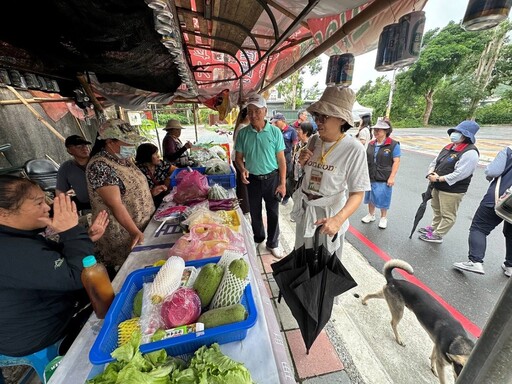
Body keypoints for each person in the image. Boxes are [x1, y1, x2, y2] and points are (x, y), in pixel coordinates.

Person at [0, 175, 108, 360]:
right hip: (41, 334)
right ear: (3, 214)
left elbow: (53, 260)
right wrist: (71, 232)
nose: (47, 207)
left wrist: (84, 239)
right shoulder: (7, 250)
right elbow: (78, 276)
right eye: (38, 203)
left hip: (59, 310)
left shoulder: (17, 237)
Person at [292, 86, 370, 259]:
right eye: (317, 116)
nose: (318, 121)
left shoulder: (354, 149)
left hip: (329, 216)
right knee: (301, 259)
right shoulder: (314, 140)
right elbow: (306, 175)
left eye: (324, 116)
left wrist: (338, 219)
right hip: (306, 210)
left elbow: (358, 193)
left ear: (342, 120)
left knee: (324, 267)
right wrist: (302, 162)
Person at [87, 119, 155, 274]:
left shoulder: (124, 160)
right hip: (124, 234)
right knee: (130, 271)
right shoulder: (100, 166)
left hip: (143, 225)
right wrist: (134, 232)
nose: (132, 147)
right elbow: (115, 204)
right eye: (128, 142)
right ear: (110, 142)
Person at [234, 92, 286, 258]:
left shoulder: (275, 132)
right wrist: (242, 169)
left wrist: (282, 183)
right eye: (250, 111)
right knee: (255, 212)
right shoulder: (243, 134)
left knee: (273, 213)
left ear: (265, 110)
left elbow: (282, 160)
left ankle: (273, 243)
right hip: (253, 180)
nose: (253, 115)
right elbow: (238, 158)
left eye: (257, 111)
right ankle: (259, 238)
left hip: (272, 178)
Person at [453, 145, 512, 276]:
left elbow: (493, 171)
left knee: (479, 227)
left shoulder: (508, 151)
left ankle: (475, 260)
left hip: (500, 197)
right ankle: (510, 265)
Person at [418, 121, 480, 243]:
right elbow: (435, 161)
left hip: (452, 190)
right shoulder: (449, 147)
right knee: (437, 209)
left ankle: (438, 234)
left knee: (448, 214)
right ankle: (434, 227)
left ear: (466, 136)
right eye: (455, 131)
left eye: (459, 133)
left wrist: (440, 178)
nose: (454, 134)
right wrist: (431, 172)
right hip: (437, 186)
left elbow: (461, 174)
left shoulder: (470, 152)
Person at [360, 118, 401, 229]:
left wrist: (392, 177)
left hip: (384, 176)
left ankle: (383, 217)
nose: (376, 132)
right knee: (370, 196)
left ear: (386, 131)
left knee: (384, 197)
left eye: (379, 130)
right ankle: (371, 214)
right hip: (371, 174)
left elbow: (396, 161)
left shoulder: (393, 144)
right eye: (375, 129)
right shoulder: (371, 144)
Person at [56, 135, 92, 212]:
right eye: (79, 146)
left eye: (85, 145)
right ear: (69, 150)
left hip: (104, 201)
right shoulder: (66, 167)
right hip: (85, 203)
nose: (84, 148)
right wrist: (62, 207)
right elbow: (60, 191)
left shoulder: (98, 162)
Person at [271, 113, 298, 205]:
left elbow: (295, 145)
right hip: (276, 156)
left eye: (276, 122)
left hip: (286, 156)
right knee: (277, 176)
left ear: (282, 121)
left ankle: (286, 196)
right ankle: (277, 194)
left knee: (286, 178)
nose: (275, 124)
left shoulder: (291, 131)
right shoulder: (275, 131)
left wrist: (294, 157)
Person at [135, 143, 173, 207]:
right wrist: (151, 192)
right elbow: (138, 193)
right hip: (149, 202)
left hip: (164, 197)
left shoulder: (160, 164)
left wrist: (168, 178)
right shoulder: (138, 170)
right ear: (147, 156)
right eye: (155, 154)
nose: (158, 156)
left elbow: (175, 170)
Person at [232, 107, 251, 215]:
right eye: (251, 113)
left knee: (242, 183)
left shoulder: (240, 126)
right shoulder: (243, 128)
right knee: (243, 184)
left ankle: (244, 206)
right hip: (241, 159)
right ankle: (245, 208)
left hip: (238, 158)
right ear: (247, 116)